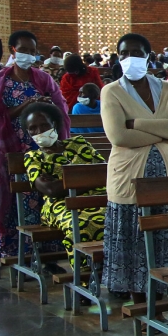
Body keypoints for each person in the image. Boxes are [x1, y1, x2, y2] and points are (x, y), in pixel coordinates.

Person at [99, 33, 168, 301]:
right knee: (133, 234)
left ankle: (166, 290)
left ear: (149, 57)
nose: (130, 58)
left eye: (137, 53)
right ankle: (139, 297)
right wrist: (165, 132)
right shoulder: (111, 91)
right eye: (124, 54)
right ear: (118, 58)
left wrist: (137, 123)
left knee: (166, 232)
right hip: (128, 178)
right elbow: (119, 137)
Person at [0, 30, 71, 257]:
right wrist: (27, 105)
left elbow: (61, 110)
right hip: (13, 149)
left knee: (45, 194)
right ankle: (18, 250)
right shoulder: (1, 80)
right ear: (13, 49)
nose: (28, 55)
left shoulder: (43, 78)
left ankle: (49, 251)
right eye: (23, 50)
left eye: (32, 51)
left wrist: (47, 104)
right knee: (18, 198)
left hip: (42, 147)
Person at [21, 102, 105, 266]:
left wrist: (65, 183)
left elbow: (104, 173)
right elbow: (50, 190)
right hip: (60, 205)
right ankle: (86, 276)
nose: (39, 132)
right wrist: (89, 179)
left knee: (119, 218)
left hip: (99, 198)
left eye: (45, 125)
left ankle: (115, 273)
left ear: (55, 124)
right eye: (33, 128)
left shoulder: (79, 144)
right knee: (81, 225)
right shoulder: (33, 157)